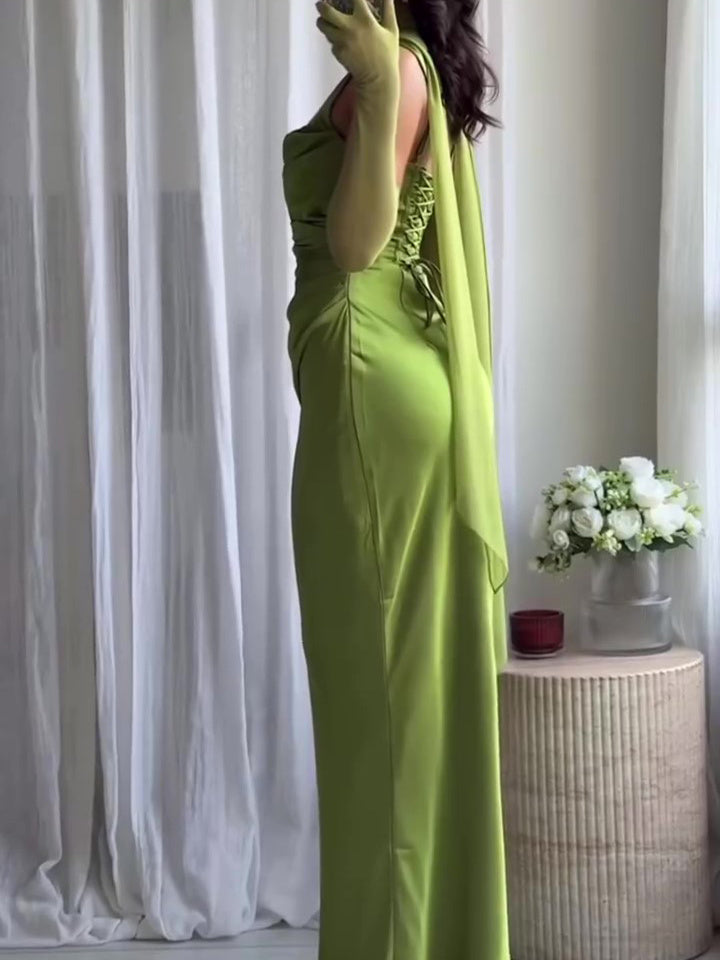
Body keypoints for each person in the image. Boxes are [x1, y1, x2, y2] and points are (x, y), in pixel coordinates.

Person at [282, 1, 510, 957]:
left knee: (377, 709)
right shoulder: (408, 66)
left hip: (372, 387)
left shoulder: (399, 68)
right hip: (391, 381)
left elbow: (356, 247)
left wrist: (378, 84)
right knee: (400, 701)